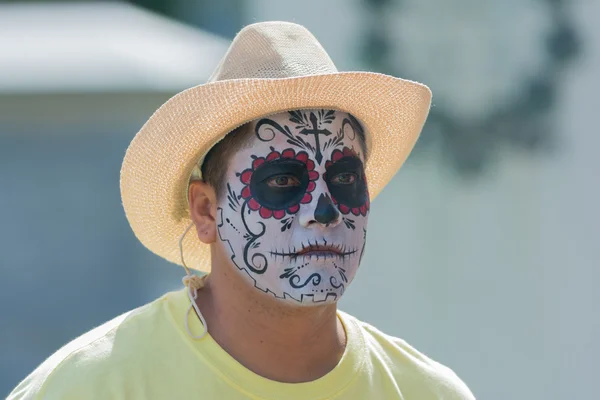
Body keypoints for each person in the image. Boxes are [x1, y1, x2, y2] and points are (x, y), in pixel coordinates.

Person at [8, 21, 475, 399]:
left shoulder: (427, 393)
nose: (325, 210)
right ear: (206, 211)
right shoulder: (90, 388)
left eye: (345, 178)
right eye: (284, 182)